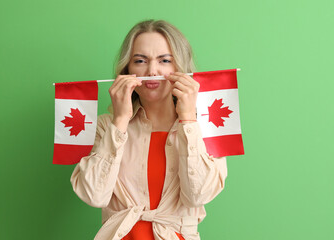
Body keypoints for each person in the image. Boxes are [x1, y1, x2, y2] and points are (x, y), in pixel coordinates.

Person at [70, 19, 227, 240]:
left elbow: (198, 195)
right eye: (140, 61)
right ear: (128, 69)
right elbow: (93, 195)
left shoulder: (207, 126)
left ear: (180, 68)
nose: (152, 71)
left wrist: (188, 120)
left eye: (164, 60)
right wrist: (121, 120)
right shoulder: (106, 126)